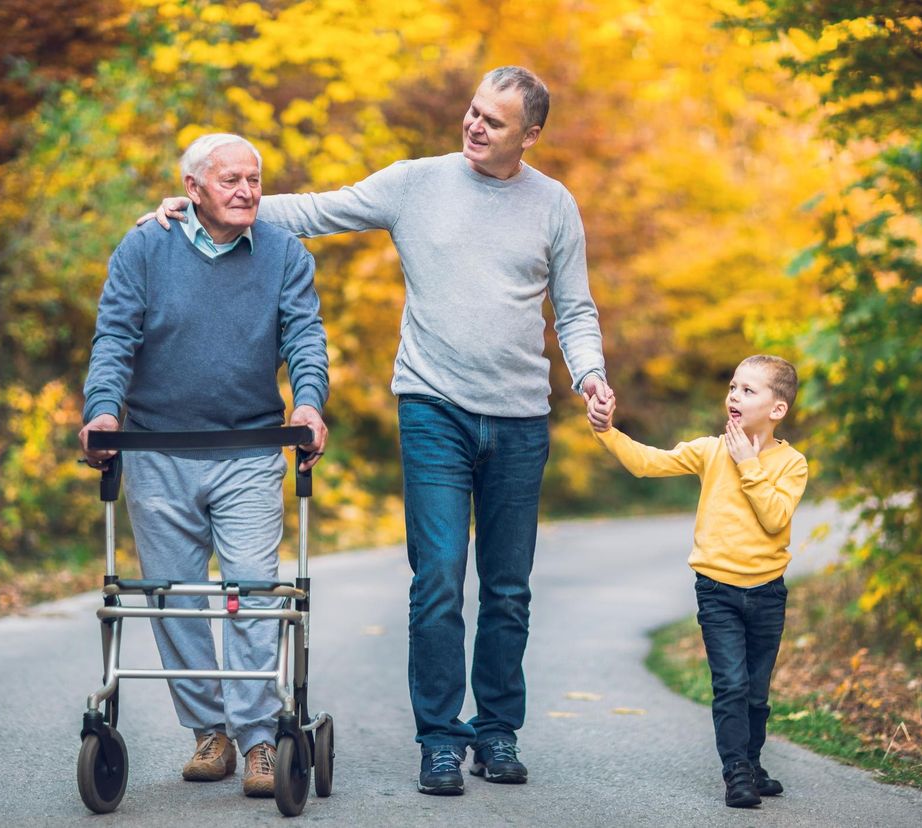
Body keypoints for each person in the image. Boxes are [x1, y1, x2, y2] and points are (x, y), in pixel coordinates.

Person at [145, 66, 614, 796]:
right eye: (472, 111)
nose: (474, 125)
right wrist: (206, 203)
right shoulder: (415, 183)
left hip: (522, 417)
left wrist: (590, 375)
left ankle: (496, 731)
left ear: (530, 134)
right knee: (435, 582)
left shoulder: (554, 204)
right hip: (431, 406)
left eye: (494, 119)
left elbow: (575, 308)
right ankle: (439, 740)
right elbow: (313, 212)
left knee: (508, 587)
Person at [80, 133, 329, 799]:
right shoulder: (144, 246)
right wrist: (104, 411)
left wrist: (308, 403)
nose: (248, 191)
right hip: (156, 449)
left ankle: (257, 743)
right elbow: (115, 335)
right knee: (175, 598)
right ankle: (208, 734)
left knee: (250, 591)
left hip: (249, 449)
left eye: (254, 179)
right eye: (231, 180)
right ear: (193, 189)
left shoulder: (283, 254)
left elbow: (305, 335)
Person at [586, 354, 807, 809]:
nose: (734, 396)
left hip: (767, 592)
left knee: (757, 691)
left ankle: (752, 761)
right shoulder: (711, 450)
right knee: (730, 685)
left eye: (748, 390)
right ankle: (736, 775)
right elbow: (648, 462)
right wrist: (606, 431)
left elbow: (775, 518)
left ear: (777, 409)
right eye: (732, 387)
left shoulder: (792, 464)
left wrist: (750, 465)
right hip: (716, 590)